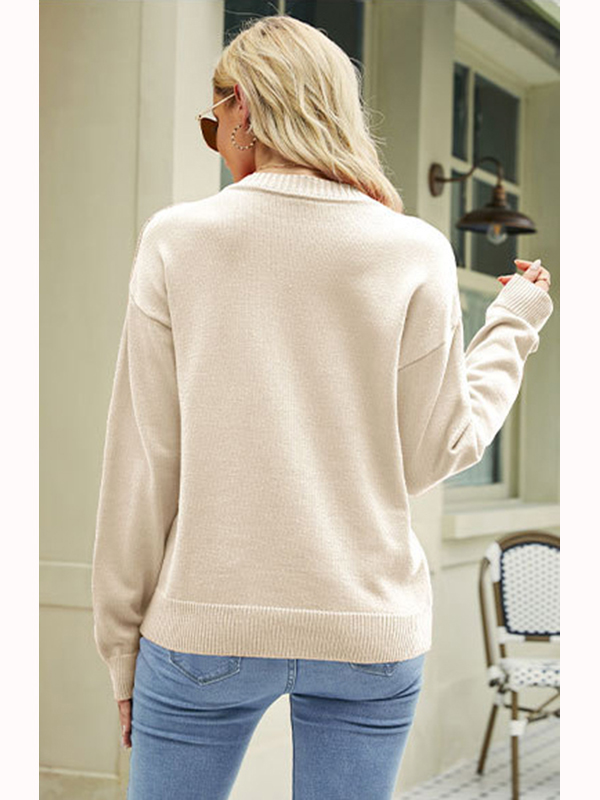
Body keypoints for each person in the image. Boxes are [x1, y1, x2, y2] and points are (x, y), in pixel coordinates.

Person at [91, 14, 553, 800]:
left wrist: (119, 643)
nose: (218, 140)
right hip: (369, 630)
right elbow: (434, 453)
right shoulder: (414, 249)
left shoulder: (179, 240)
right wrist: (511, 325)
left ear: (243, 106)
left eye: (213, 121)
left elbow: (144, 463)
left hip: (206, 626)